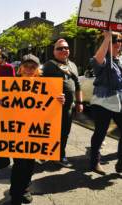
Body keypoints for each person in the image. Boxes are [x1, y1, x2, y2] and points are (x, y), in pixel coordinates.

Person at [0, 54, 65, 205]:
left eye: (33, 66)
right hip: (17, 132)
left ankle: (25, 189)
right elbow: (1, 109)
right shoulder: (11, 85)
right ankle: (15, 195)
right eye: (26, 66)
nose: (29, 69)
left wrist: (60, 100)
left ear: (37, 69)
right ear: (20, 68)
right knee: (20, 165)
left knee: (30, 164)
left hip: (35, 133)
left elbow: (51, 109)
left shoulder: (46, 86)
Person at [42, 38, 83, 167]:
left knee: (64, 132)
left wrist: (79, 102)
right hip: (50, 108)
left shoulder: (73, 65)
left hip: (68, 108)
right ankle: (45, 153)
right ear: (54, 51)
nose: (64, 50)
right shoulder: (48, 66)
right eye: (60, 48)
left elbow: (78, 86)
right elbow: (38, 87)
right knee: (48, 132)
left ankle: (60, 155)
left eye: (66, 48)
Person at [89, 31, 122, 175]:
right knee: (100, 132)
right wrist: (107, 37)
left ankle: (121, 162)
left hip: (118, 102)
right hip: (102, 102)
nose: (119, 45)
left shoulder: (119, 60)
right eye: (116, 42)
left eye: (120, 42)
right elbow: (97, 60)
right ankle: (94, 161)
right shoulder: (104, 59)